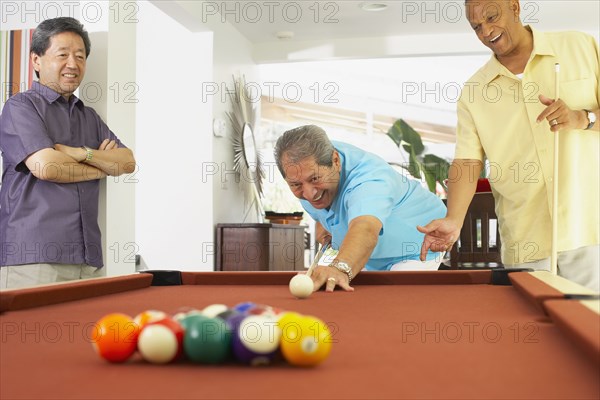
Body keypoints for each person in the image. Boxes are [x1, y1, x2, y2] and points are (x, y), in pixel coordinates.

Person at [419, 0, 599, 291]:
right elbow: (467, 161)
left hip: (590, 228)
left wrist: (583, 118)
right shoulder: (474, 92)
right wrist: (453, 218)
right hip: (526, 241)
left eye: (492, 16)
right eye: (476, 26)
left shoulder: (580, 47)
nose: (486, 30)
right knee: (534, 335)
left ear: (515, 7)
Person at [0, 17, 135, 289]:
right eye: (62, 55)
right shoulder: (20, 107)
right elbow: (48, 168)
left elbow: (127, 162)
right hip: (34, 257)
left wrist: (79, 153)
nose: (73, 64)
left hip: (88, 258)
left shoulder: (90, 116)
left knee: (87, 332)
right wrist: (101, 164)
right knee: (32, 333)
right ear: (36, 61)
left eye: (80, 56)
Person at [274, 125, 446, 292]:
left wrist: (339, 269)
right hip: (371, 255)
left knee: (394, 304)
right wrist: (324, 223)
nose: (309, 194)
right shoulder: (308, 165)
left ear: (335, 161)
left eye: (315, 179)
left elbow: (365, 229)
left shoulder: (370, 179)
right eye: (296, 184)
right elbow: (324, 207)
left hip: (416, 246)